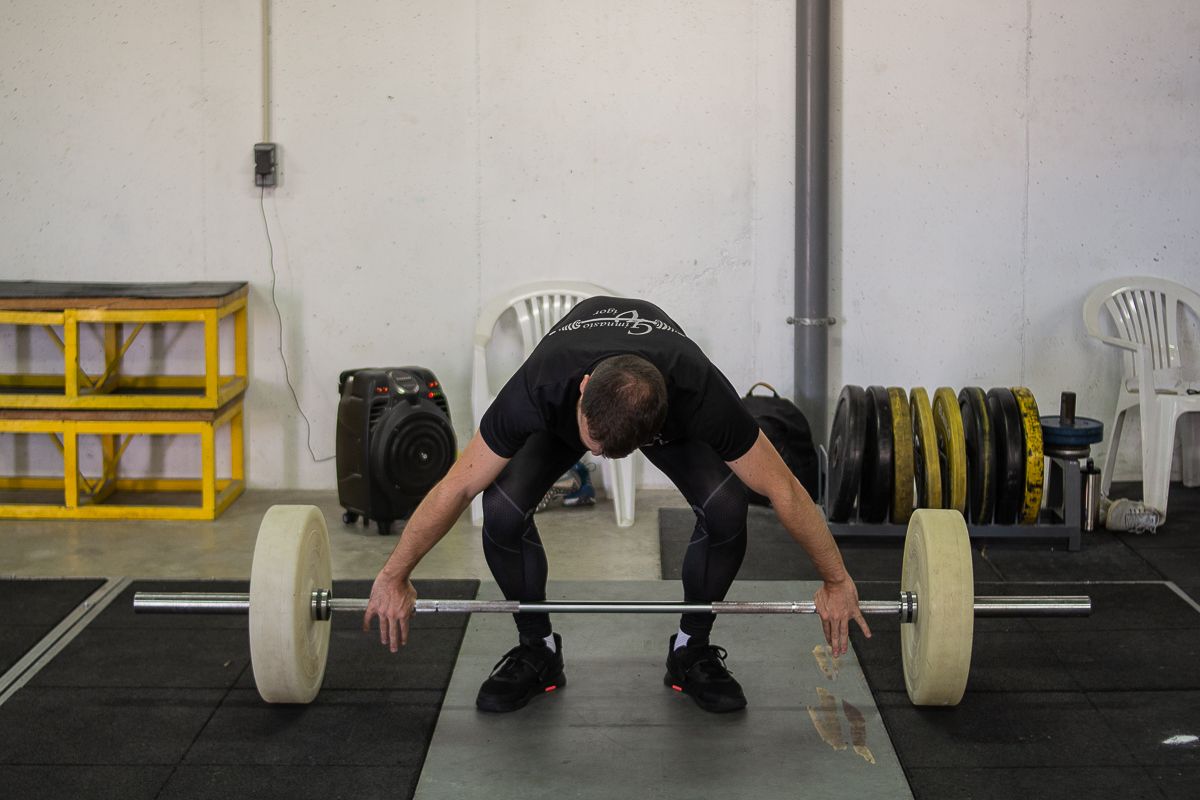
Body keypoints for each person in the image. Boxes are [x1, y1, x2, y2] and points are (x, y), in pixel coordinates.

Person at [364, 296, 870, 713]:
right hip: (563, 414)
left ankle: (690, 651)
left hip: (654, 406)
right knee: (500, 510)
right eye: (594, 444)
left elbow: (784, 489)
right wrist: (394, 574)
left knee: (727, 510)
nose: (599, 459)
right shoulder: (540, 384)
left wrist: (837, 579)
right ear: (583, 390)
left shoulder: (701, 393)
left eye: (614, 453)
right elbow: (457, 486)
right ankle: (536, 650)